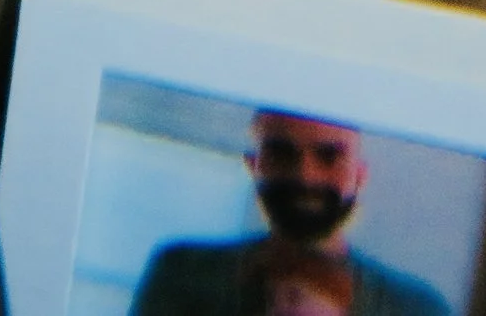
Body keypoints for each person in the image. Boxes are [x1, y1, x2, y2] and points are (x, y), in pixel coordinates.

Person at [126, 110, 452, 316]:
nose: (305, 176)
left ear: (359, 175)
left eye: (329, 156)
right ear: (254, 166)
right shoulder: (185, 274)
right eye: (282, 154)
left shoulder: (417, 309)